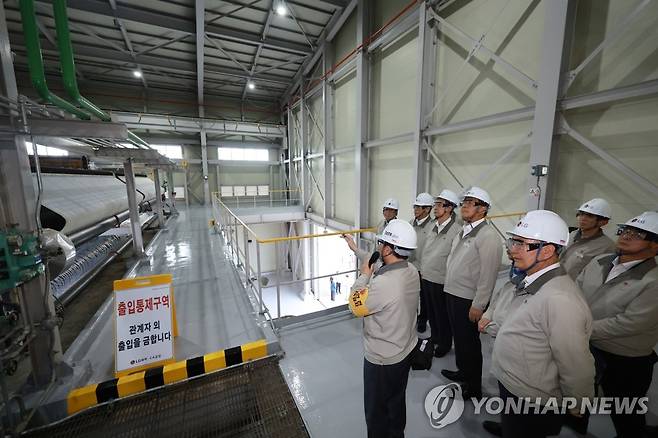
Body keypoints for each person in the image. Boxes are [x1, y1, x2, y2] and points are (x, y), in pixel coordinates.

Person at [490, 210, 595, 438]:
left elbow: (575, 362)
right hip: (515, 383)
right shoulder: (533, 280)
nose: (512, 250)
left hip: (531, 397)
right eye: (512, 241)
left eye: (521, 244)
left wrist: (578, 401)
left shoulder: (560, 299)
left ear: (547, 251)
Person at [577, 211, 658, 438]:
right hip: (586, 346)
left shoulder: (652, 281)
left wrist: (578, 329)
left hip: (625, 359)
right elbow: (574, 291)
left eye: (638, 233)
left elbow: (629, 324)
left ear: (654, 246)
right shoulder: (599, 261)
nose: (627, 236)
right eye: (626, 230)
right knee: (578, 397)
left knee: (625, 411)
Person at [348, 219, 420, 438]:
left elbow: (355, 305)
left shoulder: (386, 283)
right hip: (403, 350)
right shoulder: (410, 270)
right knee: (395, 403)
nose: (378, 247)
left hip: (382, 359)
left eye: (381, 243)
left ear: (388, 248)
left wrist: (363, 276)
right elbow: (374, 261)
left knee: (376, 413)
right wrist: (355, 249)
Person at [442, 186, 502, 399]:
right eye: (464, 202)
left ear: (484, 209)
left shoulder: (488, 236)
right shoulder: (463, 230)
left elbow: (488, 274)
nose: (465, 206)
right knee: (460, 339)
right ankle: (462, 372)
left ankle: (473, 386)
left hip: (468, 299)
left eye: (471, 202)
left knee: (470, 343)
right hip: (453, 293)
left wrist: (479, 304)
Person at [419, 189, 460, 357]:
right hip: (427, 275)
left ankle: (444, 343)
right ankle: (435, 336)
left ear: (449, 208)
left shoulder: (456, 230)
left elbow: (454, 257)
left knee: (442, 314)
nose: (435, 208)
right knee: (431, 311)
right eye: (435, 204)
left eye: (439, 205)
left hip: (441, 279)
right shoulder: (433, 226)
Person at [560, 198, 615, 279]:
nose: (583, 218)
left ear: (603, 222)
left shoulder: (607, 247)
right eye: (581, 214)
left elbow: (597, 278)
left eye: (589, 216)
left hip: (573, 289)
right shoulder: (572, 234)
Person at [342, 197, 400, 263]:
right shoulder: (381, 224)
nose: (388, 212)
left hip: (390, 260)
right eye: (386, 209)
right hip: (378, 259)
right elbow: (376, 243)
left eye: (391, 210)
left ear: (396, 212)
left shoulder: (398, 227)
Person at [408, 192, 435, 332]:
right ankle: (410, 318)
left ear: (428, 209)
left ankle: (423, 319)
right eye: (415, 207)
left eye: (419, 207)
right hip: (410, 267)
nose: (415, 210)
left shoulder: (432, 226)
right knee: (410, 295)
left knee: (424, 297)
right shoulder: (410, 224)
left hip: (423, 269)